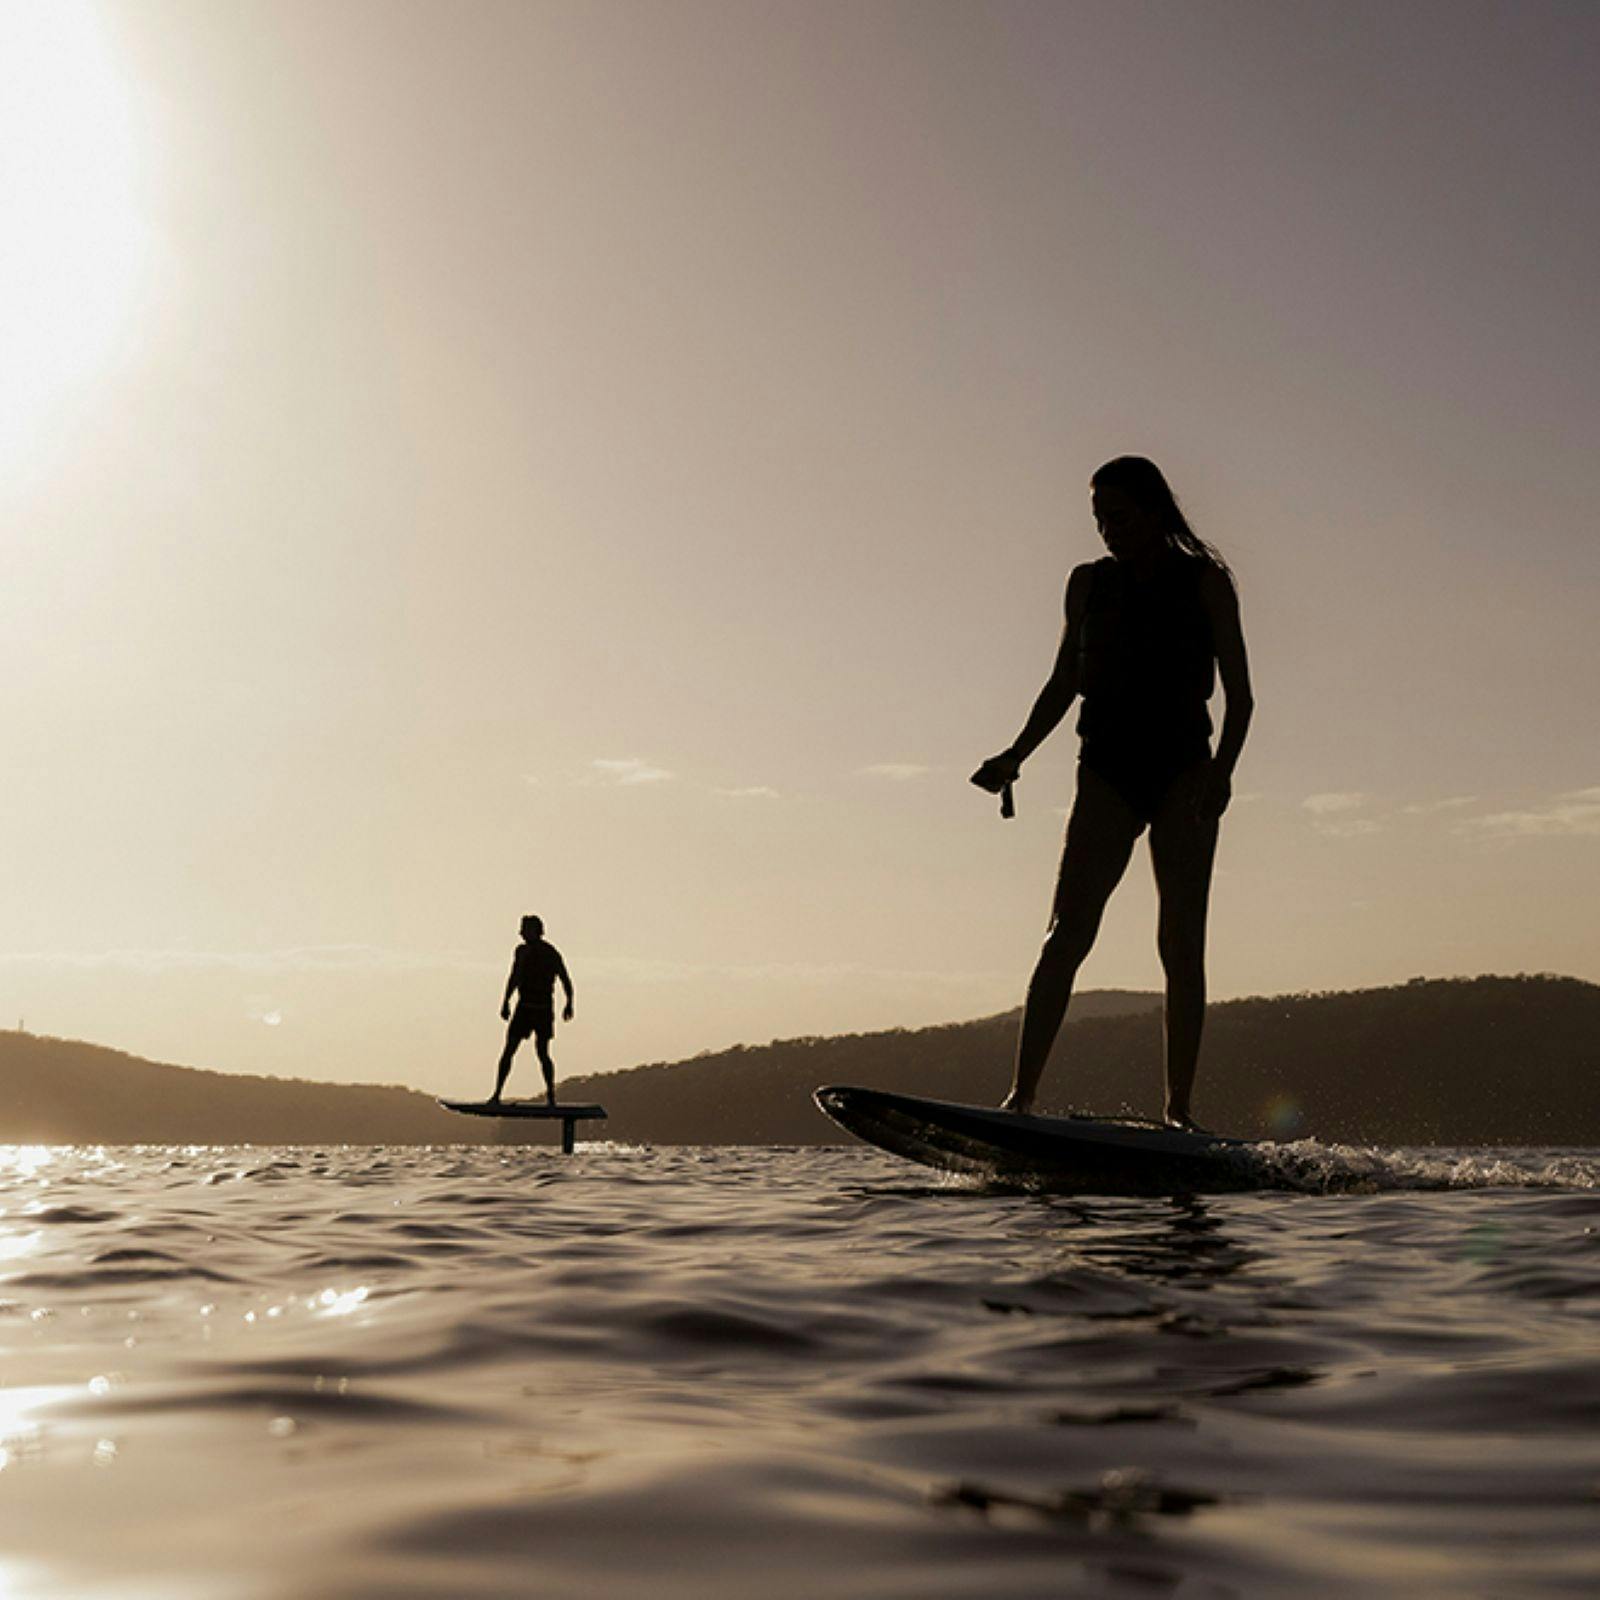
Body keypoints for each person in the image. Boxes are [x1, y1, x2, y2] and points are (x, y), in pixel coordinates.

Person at [971, 456, 1253, 1130]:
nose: (1107, 530)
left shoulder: (1206, 583)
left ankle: (1178, 1114)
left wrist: (1222, 777)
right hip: (1106, 771)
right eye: (1099, 518)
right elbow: (1064, 683)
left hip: (1185, 770)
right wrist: (1015, 755)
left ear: (1155, 512)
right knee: (1067, 932)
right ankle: (1021, 1099)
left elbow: (1241, 697)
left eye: (1119, 516)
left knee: (1181, 943)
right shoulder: (1088, 586)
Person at [491, 914, 575, 1106]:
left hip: (542, 1009)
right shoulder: (521, 951)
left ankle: (551, 1097)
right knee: (508, 1050)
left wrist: (569, 1002)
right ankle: (496, 1095)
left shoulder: (550, 953)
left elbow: (565, 978)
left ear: (535, 931)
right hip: (523, 1007)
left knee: (542, 1052)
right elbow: (514, 976)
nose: (520, 932)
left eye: (524, 929)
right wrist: (505, 1001)